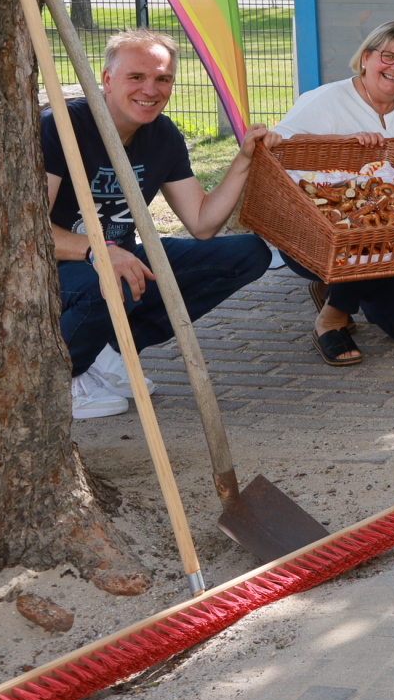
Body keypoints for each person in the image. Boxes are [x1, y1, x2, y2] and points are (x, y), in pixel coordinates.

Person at [45, 29, 272, 419]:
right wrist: (100, 251)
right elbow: (31, 232)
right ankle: (63, 377)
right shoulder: (60, 127)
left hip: (121, 260)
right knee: (110, 279)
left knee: (247, 253)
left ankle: (106, 350)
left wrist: (244, 160)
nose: (150, 90)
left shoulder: (163, 134)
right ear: (107, 79)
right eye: (136, 77)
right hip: (58, 267)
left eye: (163, 79)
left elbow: (202, 222)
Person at [269, 21, 394, 367]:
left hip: (390, 243)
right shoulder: (328, 98)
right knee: (365, 232)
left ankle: (339, 290)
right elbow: (277, 146)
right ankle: (331, 320)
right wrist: (343, 144)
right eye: (388, 56)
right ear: (366, 58)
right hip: (316, 232)